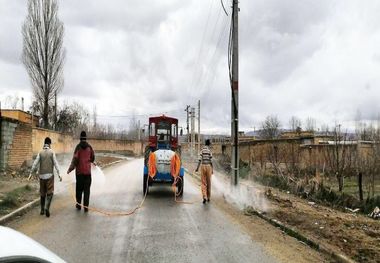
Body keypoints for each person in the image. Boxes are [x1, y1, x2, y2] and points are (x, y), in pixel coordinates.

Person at [29, 137, 62, 217]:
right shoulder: (52, 152)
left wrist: (30, 174)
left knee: (42, 193)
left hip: (41, 176)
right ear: (49, 144)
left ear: (44, 144)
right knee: (50, 193)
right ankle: (47, 207)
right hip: (50, 176)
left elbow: (35, 163)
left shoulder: (40, 152)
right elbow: (56, 164)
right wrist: (59, 174)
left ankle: (42, 210)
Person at [67, 131, 95, 212]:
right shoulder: (90, 147)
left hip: (79, 174)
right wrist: (90, 160)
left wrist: (70, 169)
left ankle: (79, 205)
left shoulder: (78, 147)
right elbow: (93, 158)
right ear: (86, 138)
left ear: (80, 138)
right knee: (87, 191)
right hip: (88, 174)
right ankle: (86, 207)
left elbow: (74, 160)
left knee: (79, 190)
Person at [195, 139, 213, 204]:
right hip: (208, 166)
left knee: (203, 182)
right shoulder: (209, 151)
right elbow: (211, 161)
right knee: (209, 182)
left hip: (203, 166)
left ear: (205, 143)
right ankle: (208, 197)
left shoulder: (202, 150)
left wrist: (197, 168)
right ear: (209, 144)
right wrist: (212, 169)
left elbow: (199, 160)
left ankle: (204, 197)